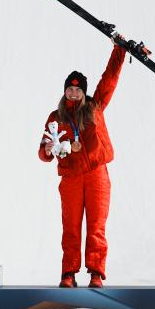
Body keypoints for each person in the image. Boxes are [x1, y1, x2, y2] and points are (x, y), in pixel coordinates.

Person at [38, 35, 127, 288]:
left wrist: (119, 52)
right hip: (71, 177)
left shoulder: (95, 107)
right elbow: (43, 152)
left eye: (78, 89)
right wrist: (47, 150)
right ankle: (68, 273)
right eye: (70, 88)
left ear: (84, 92)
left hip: (97, 174)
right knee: (71, 227)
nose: (74, 92)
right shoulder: (56, 116)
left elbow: (109, 80)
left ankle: (96, 273)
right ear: (65, 90)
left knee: (97, 226)